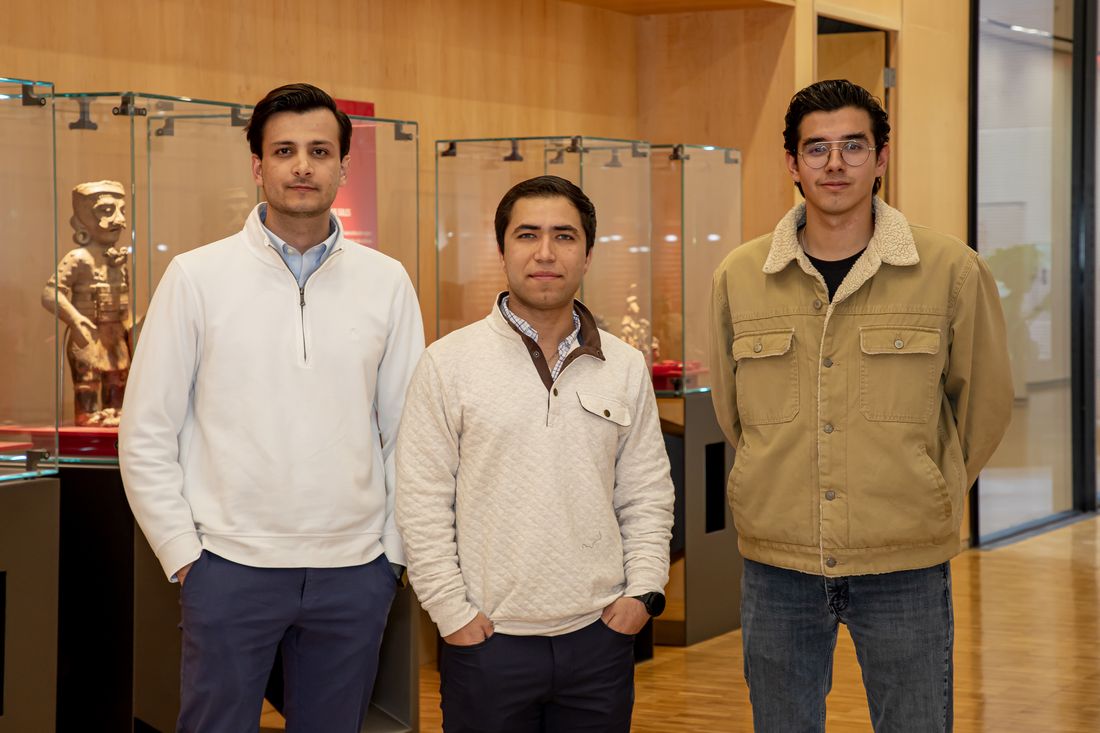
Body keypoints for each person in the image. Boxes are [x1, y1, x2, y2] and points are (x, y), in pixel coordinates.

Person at [708, 79, 1013, 732]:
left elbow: (984, 405)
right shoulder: (740, 275)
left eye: (853, 145)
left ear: (881, 158)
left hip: (904, 560)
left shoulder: (950, 269)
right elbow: (734, 414)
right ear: (792, 163)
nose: (835, 164)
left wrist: (928, 486)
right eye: (816, 148)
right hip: (778, 562)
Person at [119, 82, 424, 732]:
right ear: (258, 165)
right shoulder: (196, 277)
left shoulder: (388, 282)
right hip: (228, 565)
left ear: (344, 166)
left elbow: (411, 431)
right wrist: (184, 553)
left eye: (320, 150)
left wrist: (391, 555)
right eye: (284, 151)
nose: (302, 166)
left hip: (354, 570)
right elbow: (146, 429)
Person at [396, 175, 674, 733]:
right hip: (487, 643)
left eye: (564, 236)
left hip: (599, 640)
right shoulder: (447, 364)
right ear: (501, 250)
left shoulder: (623, 365)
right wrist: (452, 614)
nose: (545, 253)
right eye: (527, 235)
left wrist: (642, 594)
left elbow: (647, 492)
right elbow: (421, 502)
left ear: (587, 254)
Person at [43, 180, 132, 426]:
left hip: (115, 334)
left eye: (122, 211)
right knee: (88, 382)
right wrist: (75, 318)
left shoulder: (118, 259)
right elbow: (50, 293)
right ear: (82, 218)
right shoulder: (79, 258)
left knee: (117, 380)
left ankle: (114, 413)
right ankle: (89, 416)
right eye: (107, 211)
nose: (119, 220)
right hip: (88, 334)